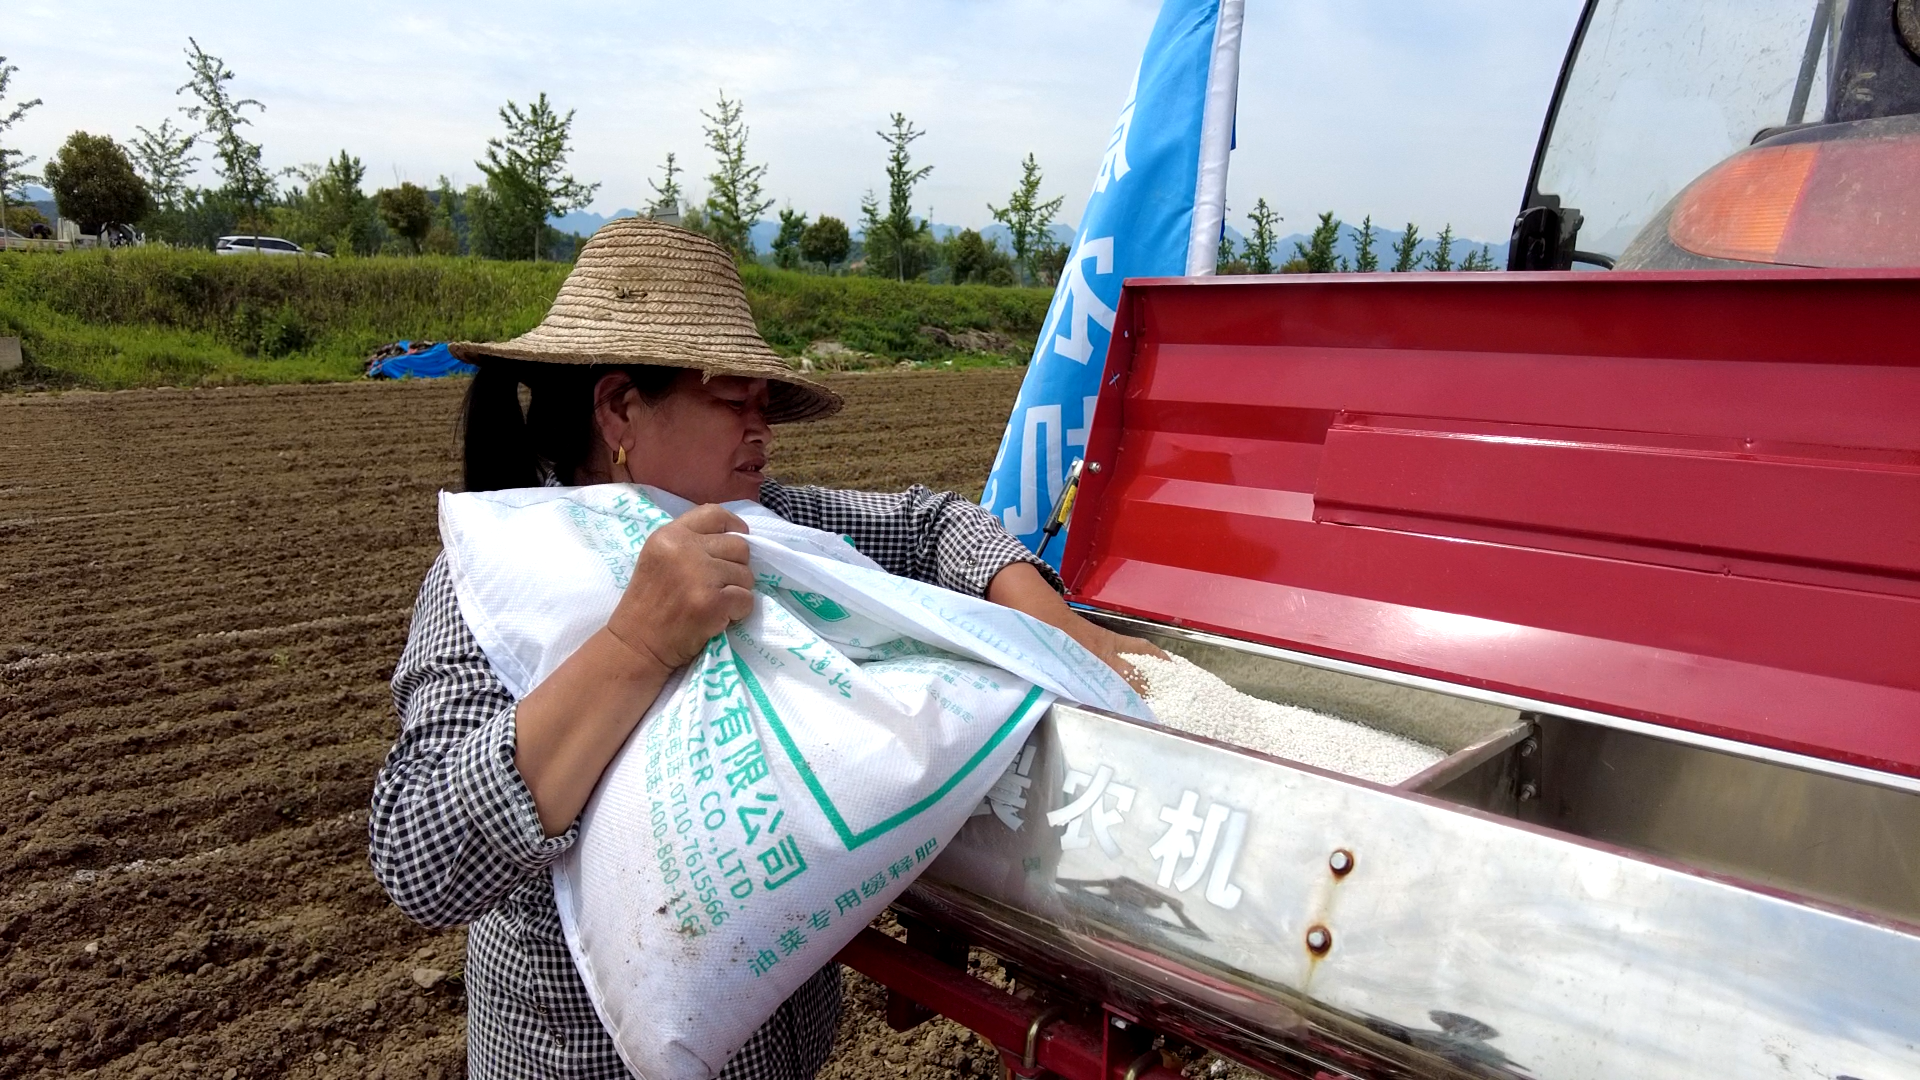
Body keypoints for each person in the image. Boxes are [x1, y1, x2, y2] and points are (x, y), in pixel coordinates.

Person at [368, 218, 1159, 1080]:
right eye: (732, 402)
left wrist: (1065, 631)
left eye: (764, 405)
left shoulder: (768, 528)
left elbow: (936, 525)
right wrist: (636, 642)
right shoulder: (497, 582)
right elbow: (421, 858)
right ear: (621, 407)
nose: (763, 430)